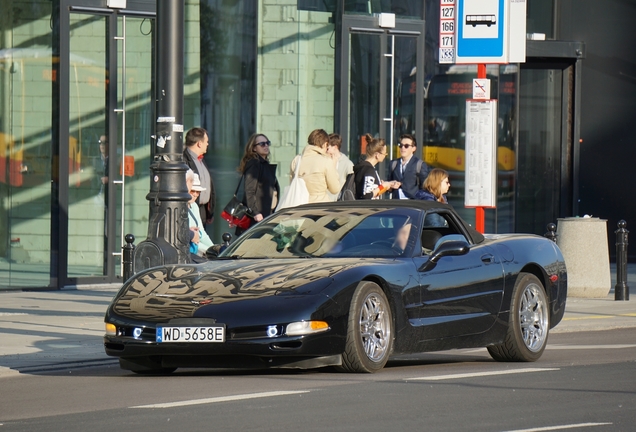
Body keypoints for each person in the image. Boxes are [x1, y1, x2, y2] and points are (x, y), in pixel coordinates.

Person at [237, 133, 280, 235]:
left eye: (267, 143)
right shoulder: (254, 163)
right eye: (262, 144)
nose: (266, 146)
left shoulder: (264, 164)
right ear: (254, 148)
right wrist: (255, 213)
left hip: (266, 213)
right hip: (257, 217)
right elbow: (249, 190)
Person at [290, 129, 340, 202]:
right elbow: (335, 189)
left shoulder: (296, 160)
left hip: (299, 206)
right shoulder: (325, 161)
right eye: (327, 147)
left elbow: (292, 184)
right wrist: (334, 166)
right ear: (325, 144)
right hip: (320, 207)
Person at [183, 127, 216, 228]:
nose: (208, 144)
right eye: (206, 141)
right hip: (191, 209)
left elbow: (208, 184)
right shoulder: (184, 160)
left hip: (202, 210)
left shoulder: (200, 159)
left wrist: (210, 212)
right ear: (199, 143)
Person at [352, 133, 400, 199]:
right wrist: (383, 186)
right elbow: (367, 196)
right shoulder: (369, 170)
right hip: (369, 208)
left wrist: (388, 185)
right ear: (377, 155)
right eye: (385, 153)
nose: (385, 155)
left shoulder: (363, 167)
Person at [388, 134, 429, 199]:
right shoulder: (393, 164)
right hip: (396, 203)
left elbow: (425, 188)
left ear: (414, 148)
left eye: (406, 146)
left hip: (412, 204)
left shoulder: (419, 165)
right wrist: (390, 186)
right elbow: (389, 186)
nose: (402, 148)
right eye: (401, 145)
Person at [186, 170, 214, 257]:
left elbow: (202, 233)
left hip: (196, 249)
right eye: (192, 191)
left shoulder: (194, 206)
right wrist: (209, 251)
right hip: (189, 251)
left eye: (197, 191)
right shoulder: (179, 208)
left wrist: (213, 248)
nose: (195, 194)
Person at [326, 133, 354, 200]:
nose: (325, 151)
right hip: (323, 201)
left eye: (327, 148)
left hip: (337, 203)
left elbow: (350, 187)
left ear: (335, 147)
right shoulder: (324, 161)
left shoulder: (348, 164)